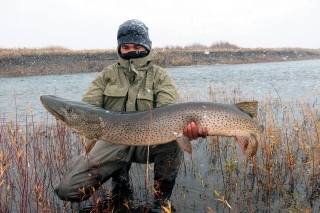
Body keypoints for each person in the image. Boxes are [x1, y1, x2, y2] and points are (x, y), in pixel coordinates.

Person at [54, 19, 204, 213]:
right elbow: (88, 107)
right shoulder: (107, 75)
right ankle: (120, 177)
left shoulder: (159, 76)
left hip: (149, 140)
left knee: (172, 140)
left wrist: (189, 131)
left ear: (147, 46)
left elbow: (169, 112)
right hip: (113, 140)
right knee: (67, 191)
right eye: (126, 46)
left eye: (137, 45)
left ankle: (161, 200)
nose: (131, 50)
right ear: (119, 48)